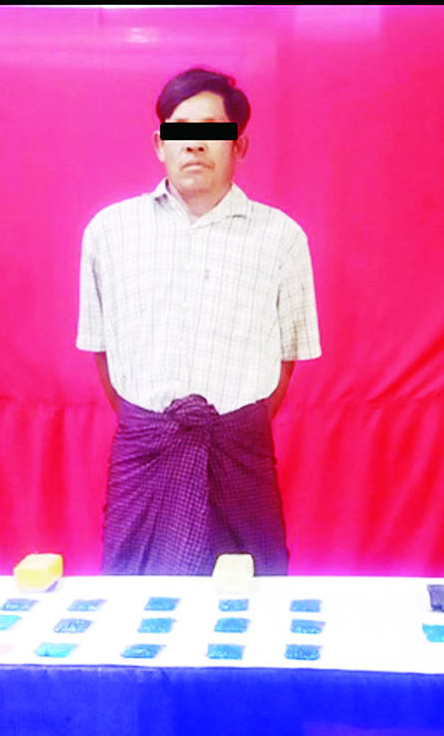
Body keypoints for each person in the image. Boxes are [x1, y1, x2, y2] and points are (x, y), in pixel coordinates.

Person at [78, 66, 321, 576]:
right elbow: (103, 351)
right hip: (146, 450)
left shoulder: (282, 238)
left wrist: (229, 426)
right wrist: (158, 423)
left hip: (239, 452)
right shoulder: (108, 232)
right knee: (135, 602)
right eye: (180, 130)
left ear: (239, 146)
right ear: (159, 143)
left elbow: (287, 359)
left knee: (249, 599)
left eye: (212, 130)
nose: (194, 144)